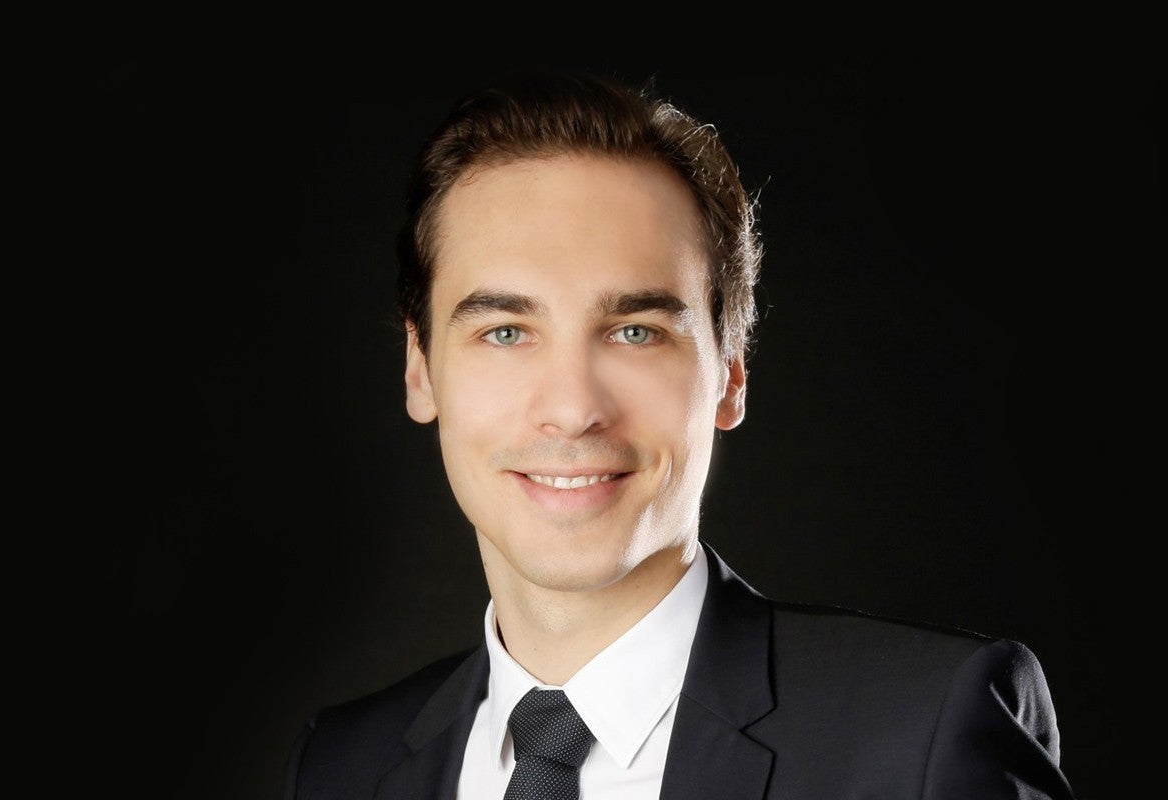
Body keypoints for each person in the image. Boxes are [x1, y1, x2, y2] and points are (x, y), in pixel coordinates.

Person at [284, 70, 1075, 799]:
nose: (573, 409)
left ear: (731, 372)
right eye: (505, 332)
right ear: (420, 369)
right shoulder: (343, 766)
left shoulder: (921, 735)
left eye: (635, 332)